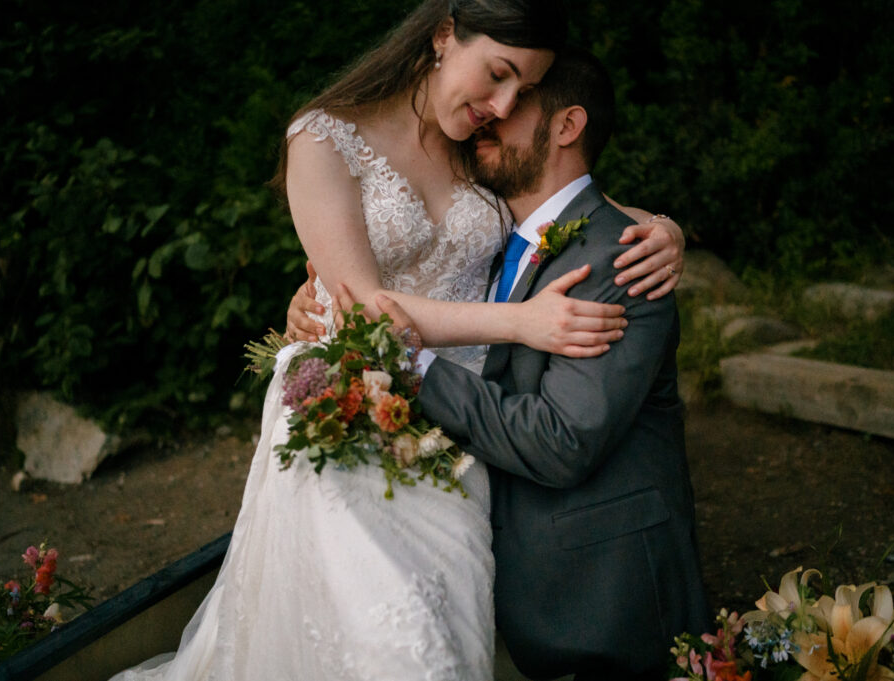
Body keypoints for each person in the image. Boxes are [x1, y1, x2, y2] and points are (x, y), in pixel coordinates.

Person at [112, 2, 685, 680]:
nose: (500, 106)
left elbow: (567, 196)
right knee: (396, 634)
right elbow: (361, 317)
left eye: (521, 92)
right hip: (353, 398)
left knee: (442, 617)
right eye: (497, 75)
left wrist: (666, 230)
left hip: (462, 424)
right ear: (445, 35)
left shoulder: (482, 152)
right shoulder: (321, 140)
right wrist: (518, 322)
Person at [366, 47, 710, 680]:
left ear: (566, 126)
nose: (486, 116)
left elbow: (560, 439)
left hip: (605, 602)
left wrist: (414, 367)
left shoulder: (621, 261)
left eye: (514, 103)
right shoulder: (502, 247)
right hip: (513, 579)